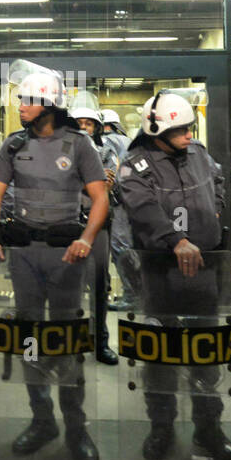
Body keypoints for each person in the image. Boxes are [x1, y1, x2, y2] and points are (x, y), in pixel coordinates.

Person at [0, 68, 109, 460]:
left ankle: (76, 425)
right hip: (25, 255)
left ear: (49, 105)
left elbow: (100, 197)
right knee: (30, 335)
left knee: (67, 338)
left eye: (28, 101)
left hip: (66, 255)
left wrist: (86, 238)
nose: (20, 108)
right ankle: (41, 419)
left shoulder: (80, 144)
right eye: (20, 101)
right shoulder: (13, 145)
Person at [117, 90, 231, 460]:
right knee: (160, 355)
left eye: (190, 128)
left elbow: (218, 183)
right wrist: (176, 240)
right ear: (157, 129)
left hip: (203, 270)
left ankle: (209, 430)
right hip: (159, 274)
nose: (189, 135)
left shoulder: (199, 154)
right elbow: (143, 209)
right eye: (181, 129)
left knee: (206, 352)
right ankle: (161, 428)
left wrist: (214, 214)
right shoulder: (134, 166)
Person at [70, 96, 119, 365]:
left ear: (97, 127)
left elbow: (110, 183)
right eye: (80, 123)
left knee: (100, 284)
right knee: (70, 284)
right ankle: (75, 339)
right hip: (69, 224)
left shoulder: (107, 151)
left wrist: (98, 185)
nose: (85, 127)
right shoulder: (64, 150)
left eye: (89, 123)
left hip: (98, 225)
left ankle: (101, 342)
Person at [100, 109, 140, 311]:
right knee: (128, 247)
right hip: (134, 202)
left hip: (117, 203)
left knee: (119, 248)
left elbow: (111, 173)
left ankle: (132, 296)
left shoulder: (108, 142)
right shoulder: (129, 141)